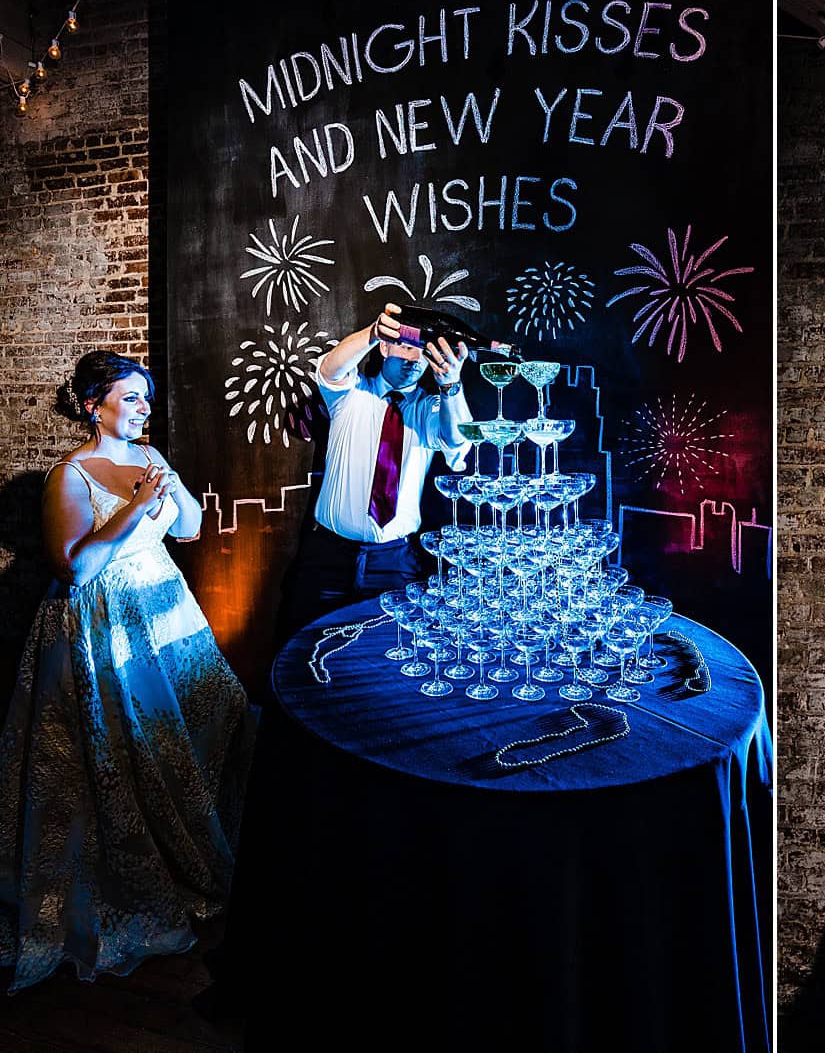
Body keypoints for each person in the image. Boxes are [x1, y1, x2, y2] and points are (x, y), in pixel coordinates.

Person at [0, 351, 251, 992]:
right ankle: (130, 873)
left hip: (164, 608)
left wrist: (163, 483)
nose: (145, 408)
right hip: (101, 620)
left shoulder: (151, 458)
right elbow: (74, 569)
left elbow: (191, 527)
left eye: (147, 397)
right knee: (120, 744)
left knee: (212, 711)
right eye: (132, 397)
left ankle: (191, 846)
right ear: (94, 404)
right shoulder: (70, 475)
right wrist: (135, 506)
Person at [269, 305, 472, 646]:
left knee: (388, 652)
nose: (414, 359)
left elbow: (456, 441)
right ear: (386, 347)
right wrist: (373, 331)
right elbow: (329, 369)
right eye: (407, 345)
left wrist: (451, 386)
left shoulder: (429, 407)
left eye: (423, 352)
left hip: (393, 561)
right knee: (306, 647)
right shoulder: (351, 393)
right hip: (328, 554)